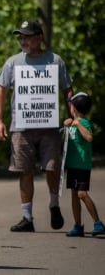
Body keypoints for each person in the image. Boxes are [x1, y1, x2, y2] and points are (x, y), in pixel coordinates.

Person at [0, 20, 73, 233]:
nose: (23, 41)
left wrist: (72, 118)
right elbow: (1, 92)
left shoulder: (55, 61)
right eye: (20, 37)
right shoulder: (13, 62)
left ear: (39, 37)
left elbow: (68, 92)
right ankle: (27, 217)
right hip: (21, 127)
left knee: (51, 168)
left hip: (49, 126)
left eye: (27, 36)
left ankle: (54, 204)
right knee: (25, 170)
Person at [63, 92, 105, 237]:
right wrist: (65, 128)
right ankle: (77, 225)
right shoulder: (71, 123)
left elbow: (89, 137)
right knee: (74, 195)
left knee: (82, 193)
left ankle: (98, 223)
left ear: (75, 107)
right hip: (72, 165)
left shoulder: (84, 122)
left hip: (82, 166)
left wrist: (78, 124)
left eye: (71, 104)